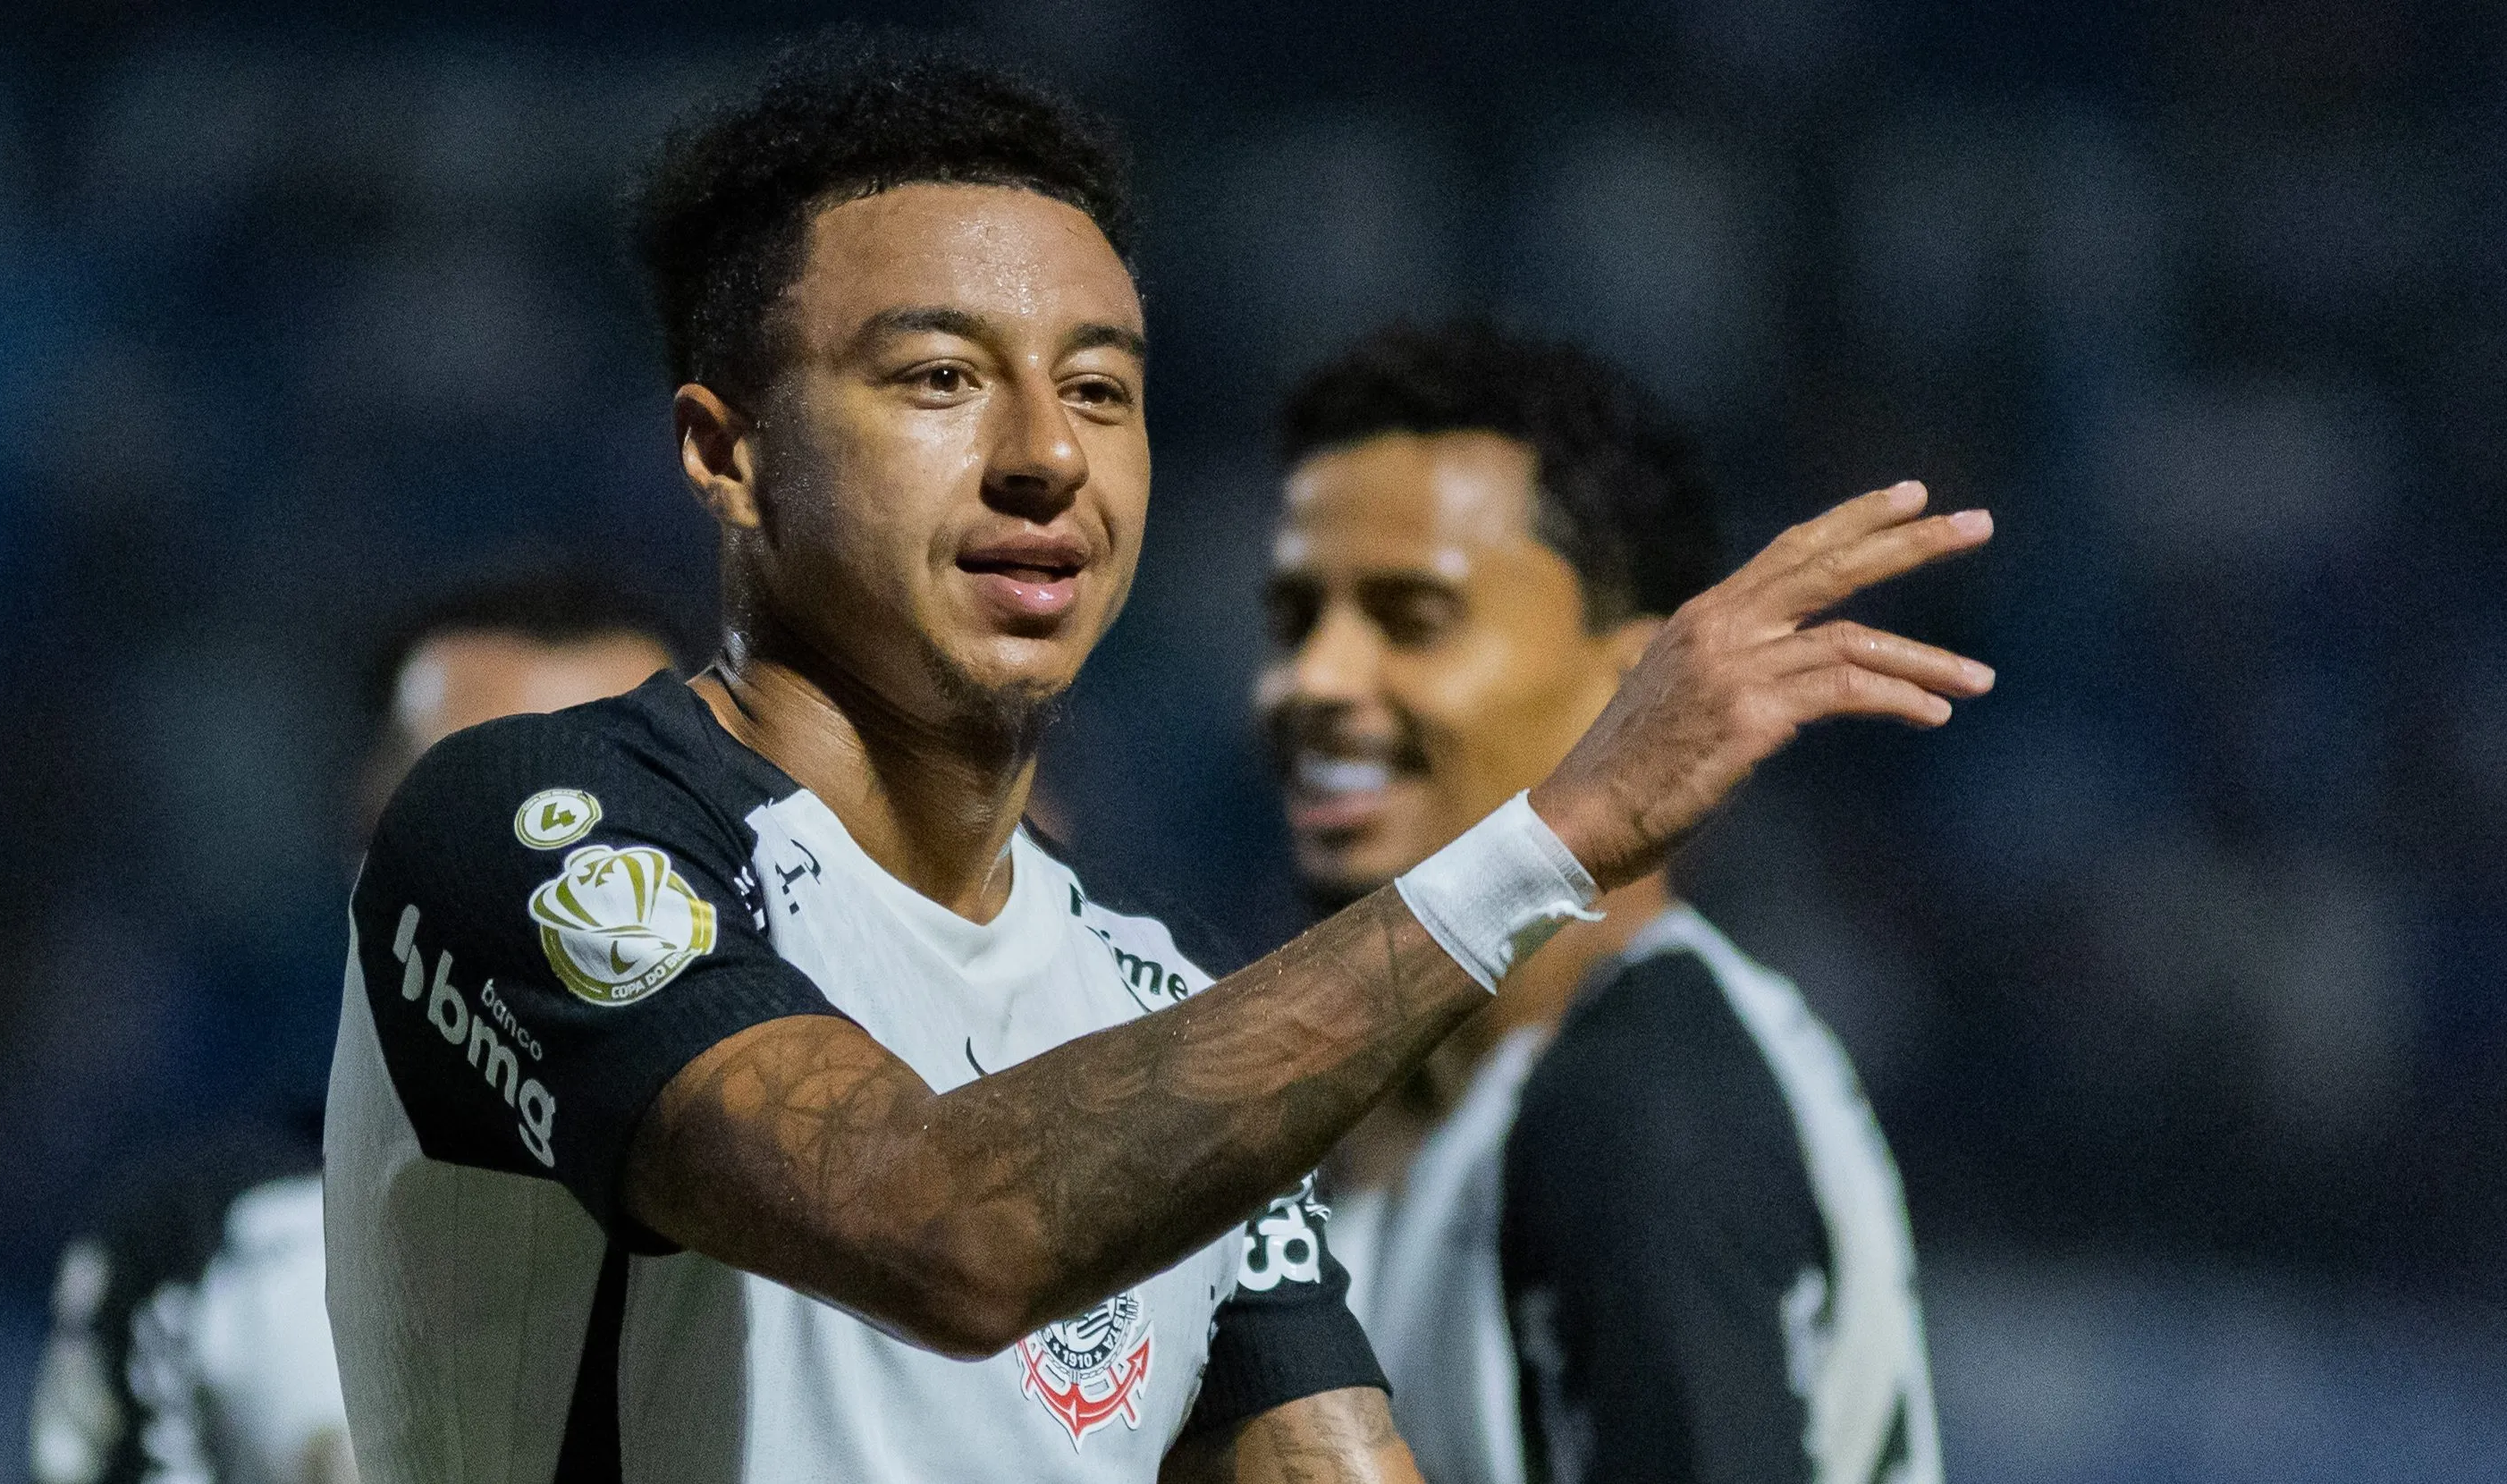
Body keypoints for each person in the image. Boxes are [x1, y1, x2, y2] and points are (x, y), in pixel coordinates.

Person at [321, 38, 1993, 1484]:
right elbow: (946, 1231)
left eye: (1100, 389)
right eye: (939, 378)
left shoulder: (1145, 1006)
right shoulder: (533, 835)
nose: (1046, 455)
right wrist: (1541, 843)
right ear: (726, 453)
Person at [1255, 321, 1945, 1484]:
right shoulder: (1464, 1110)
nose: (1312, 680)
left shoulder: (1636, 1115)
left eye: (1411, 619)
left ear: (1638, 690)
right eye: (1292, 621)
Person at [29, 573, 680, 1484]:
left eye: (621, 803)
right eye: (478, 804)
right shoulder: (209, 1246)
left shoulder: (829, 1225)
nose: (555, 871)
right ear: (366, 832)